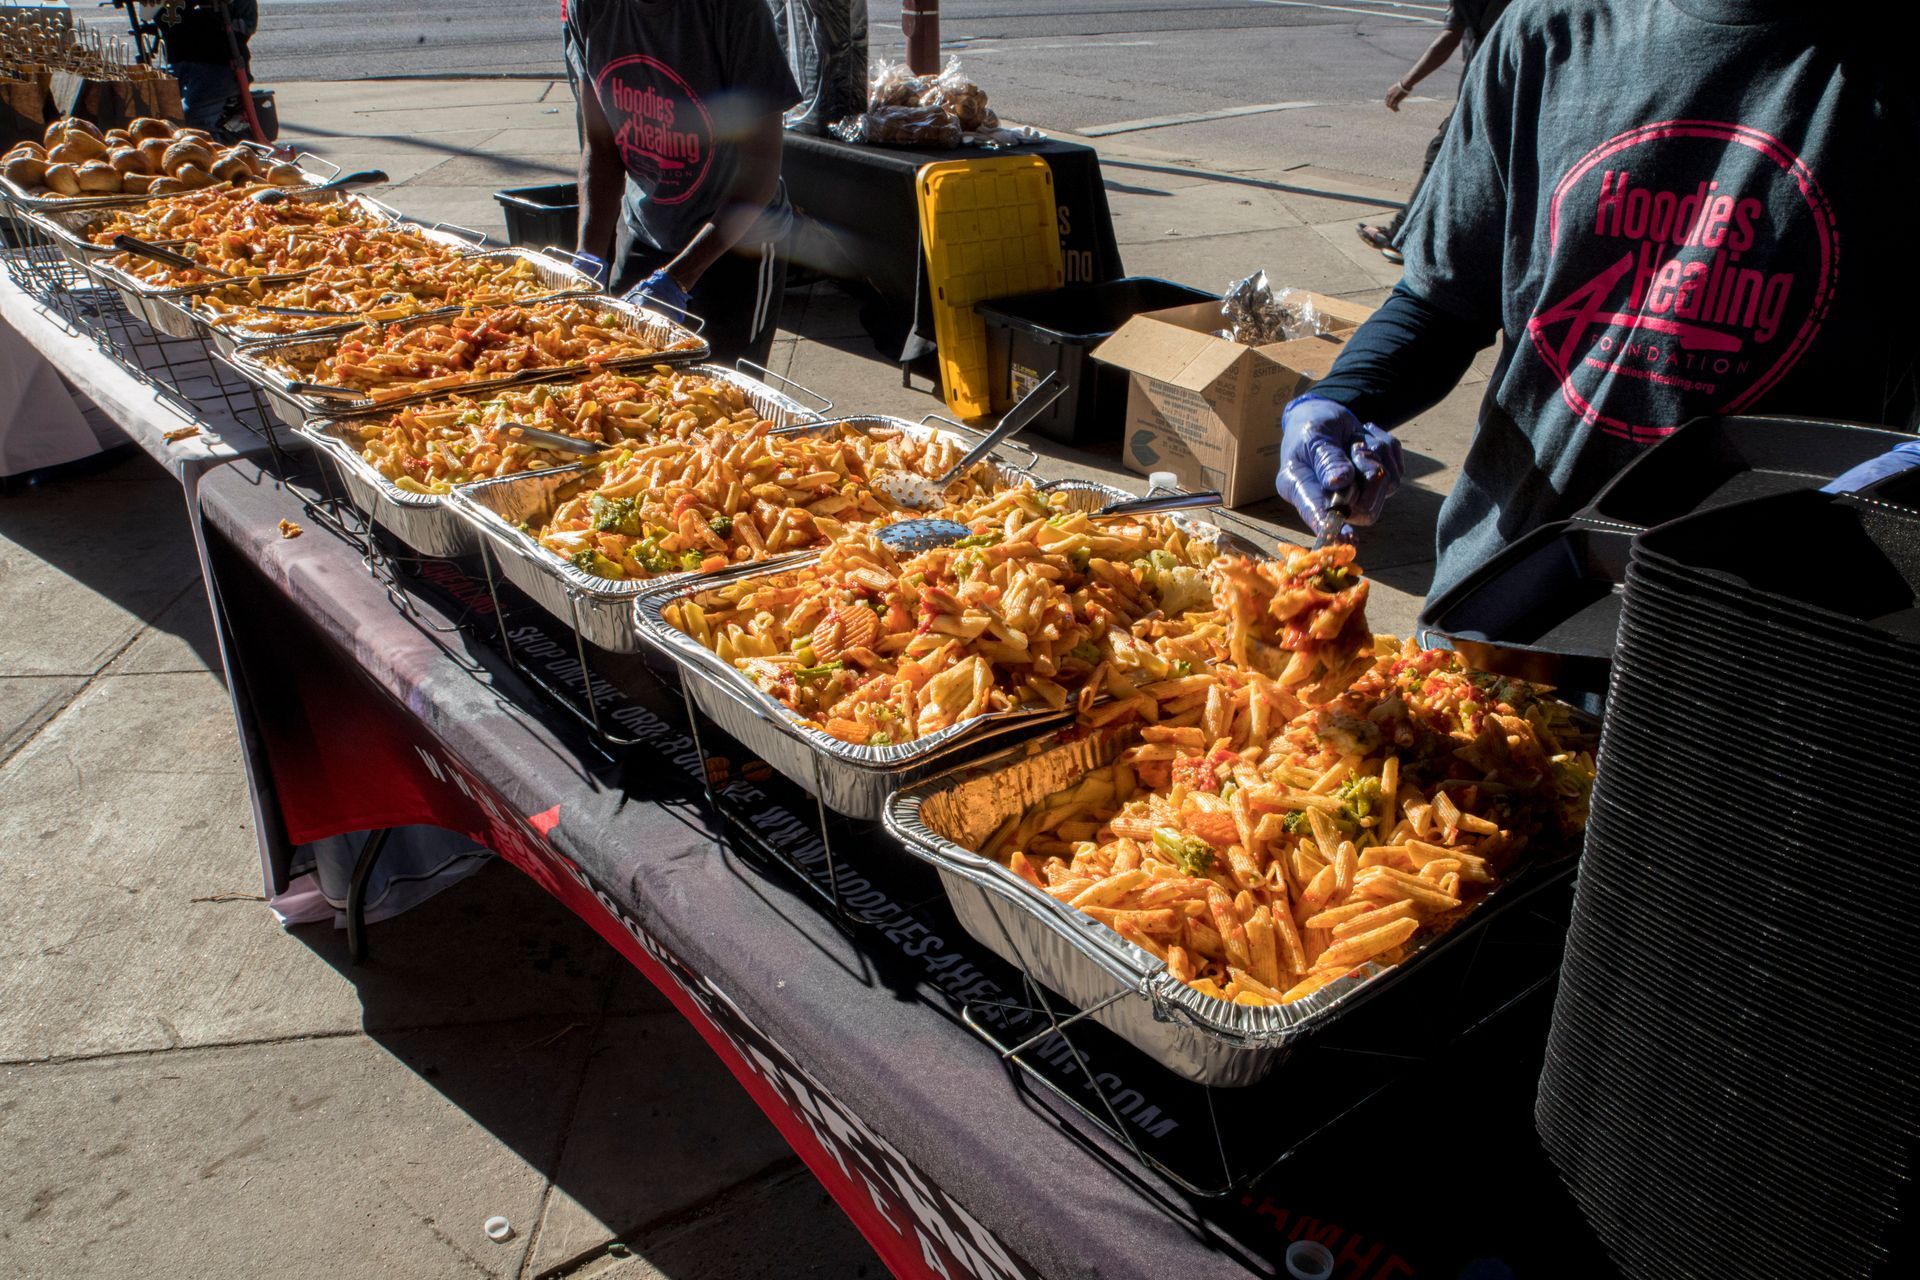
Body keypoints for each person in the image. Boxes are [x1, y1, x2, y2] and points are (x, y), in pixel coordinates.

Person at [1278, 0, 1920, 606]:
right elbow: (1443, 301)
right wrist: (1339, 399)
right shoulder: (1549, 30)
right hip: (1501, 600)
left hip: (1759, 638)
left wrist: (1878, 494)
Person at [567, 0, 801, 368]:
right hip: (646, 230)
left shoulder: (735, 12)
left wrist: (678, 279)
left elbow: (760, 172)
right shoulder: (589, 8)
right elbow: (600, 148)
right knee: (617, 375)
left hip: (734, 244)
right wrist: (588, 259)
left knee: (723, 402)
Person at [1356, 1, 1511, 265]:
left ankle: (1402, 236)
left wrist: (1405, 84)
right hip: (1515, 82)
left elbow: (1450, 36)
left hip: (1489, 87)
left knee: (1440, 154)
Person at [155, 0, 256, 137]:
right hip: (179, 59)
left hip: (217, 63)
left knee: (191, 124)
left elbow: (246, 26)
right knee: (151, 112)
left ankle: (210, 150)